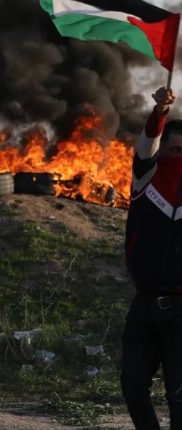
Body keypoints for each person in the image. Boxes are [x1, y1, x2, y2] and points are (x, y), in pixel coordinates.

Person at [122, 86, 182, 429]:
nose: (179, 157)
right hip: (145, 305)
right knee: (133, 387)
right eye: (174, 150)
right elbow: (147, 145)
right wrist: (160, 112)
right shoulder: (146, 178)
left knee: (179, 397)